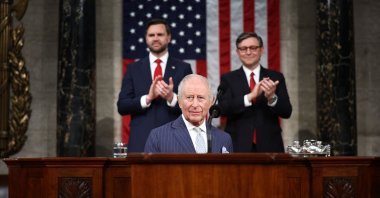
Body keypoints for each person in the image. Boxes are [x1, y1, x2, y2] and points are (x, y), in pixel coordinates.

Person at [117, 18, 193, 152]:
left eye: (160, 34)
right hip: (141, 142)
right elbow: (122, 106)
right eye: (151, 35)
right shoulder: (133, 69)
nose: (155, 38)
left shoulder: (183, 68)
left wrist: (172, 98)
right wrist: (147, 98)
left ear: (168, 38)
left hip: (174, 141)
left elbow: (192, 106)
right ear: (146, 39)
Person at [217, 32, 292, 152]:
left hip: (270, 145)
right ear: (237, 52)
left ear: (261, 50)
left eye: (253, 48)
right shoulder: (228, 79)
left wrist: (271, 97)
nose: (248, 52)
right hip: (238, 145)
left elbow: (287, 112)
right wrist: (250, 96)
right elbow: (223, 108)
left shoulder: (275, 77)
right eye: (243, 49)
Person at [144, 74, 233, 153]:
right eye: (189, 97)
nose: (195, 104)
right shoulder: (158, 137)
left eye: (200, 98)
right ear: (179, 101)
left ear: (211, 101)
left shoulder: (224, 139)